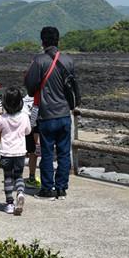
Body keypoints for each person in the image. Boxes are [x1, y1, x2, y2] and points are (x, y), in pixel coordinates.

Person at [24, 26, 76, 200]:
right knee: (63, 152)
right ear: (58, 40)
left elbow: (30, 89)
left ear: (42, 41)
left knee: (46, 153)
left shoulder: (39, 61)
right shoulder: (68, 60)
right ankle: (61, 188)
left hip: (47, 115)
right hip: (64, 114)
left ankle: (47, 189)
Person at [0, 86, 31, 215]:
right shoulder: (24, 117)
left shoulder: (2, 118)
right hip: (20, 152)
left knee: (8, 177)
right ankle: (20, 193)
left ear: (5, 102)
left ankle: (9, 203)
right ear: (20, 102)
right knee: (18, 176)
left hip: (6, 152)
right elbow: (28, 131)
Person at [23, 94, 40, 187]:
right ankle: (32, 177)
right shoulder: (39, 96)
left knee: (28, 153)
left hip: (25, 127)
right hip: (35, 127)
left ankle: (31, 177)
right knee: (35, 154)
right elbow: (35, 112)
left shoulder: (25, 98)